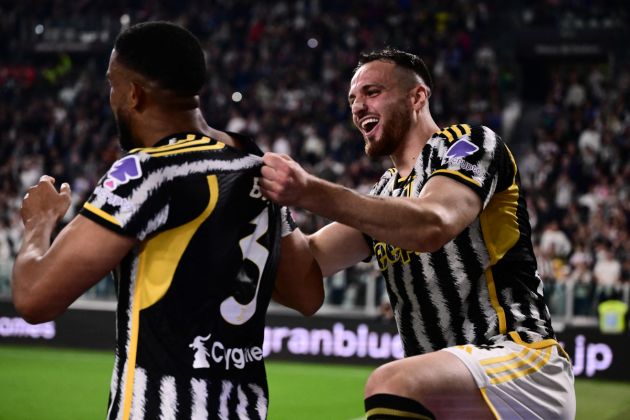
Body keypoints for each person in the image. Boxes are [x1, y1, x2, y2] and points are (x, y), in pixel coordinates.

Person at [12, 21, 323, 420]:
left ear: (134, 94)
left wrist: (40, 222)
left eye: (113, 85)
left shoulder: (148, 170)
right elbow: (307, 295)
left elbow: (34, 297)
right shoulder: (256, 165)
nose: (111, 99)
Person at [260, 48, 575, 419]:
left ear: (417, 97)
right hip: (449, 390)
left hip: (520, 363)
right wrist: (271, 210)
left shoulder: (469, 144)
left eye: (372, 92)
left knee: (392, 384)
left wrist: (308, 191)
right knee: (398, 387)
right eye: (352, 98)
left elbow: (433, 222)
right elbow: (309, 262)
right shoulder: (384, 194)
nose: (358, 106)